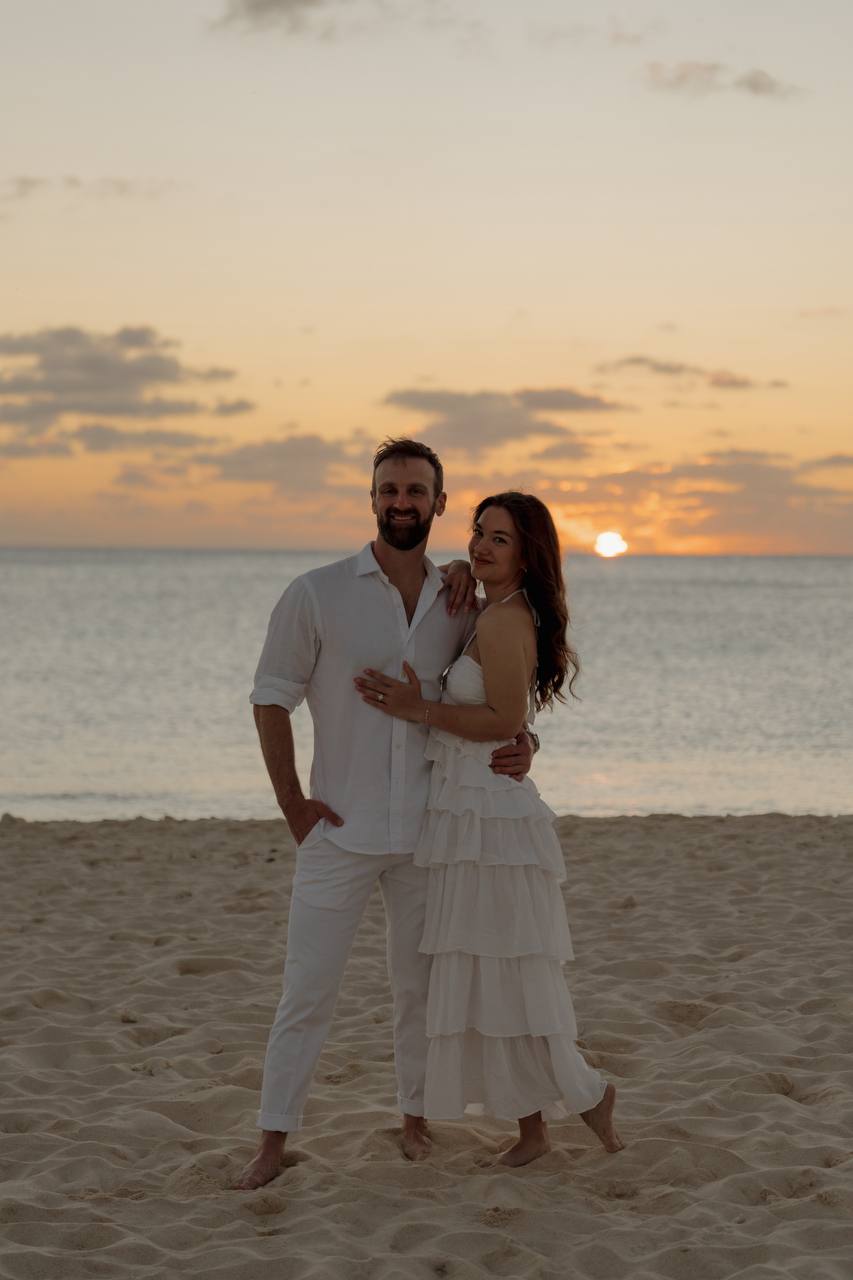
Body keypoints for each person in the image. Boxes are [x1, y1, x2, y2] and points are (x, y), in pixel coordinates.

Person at [235, 441, 535, 1191]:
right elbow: (270, 698)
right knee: (306, 991)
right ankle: (272, 1143)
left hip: (430, 829)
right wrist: (293, 807)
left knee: (420, 991)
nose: (401, 501)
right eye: (389, 489)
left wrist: (525, 738)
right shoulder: (316, 592)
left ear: (438, 504)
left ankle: (413, 1119)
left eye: (416, 490)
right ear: (371, 500)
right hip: (336, 831)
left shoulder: (459, 600)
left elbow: (490, 692)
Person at [355, 492, 624, 1166]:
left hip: (491, 821)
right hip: (468, 811)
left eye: (499, 539)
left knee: (505, 967)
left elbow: (503, 719)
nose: (481, 546)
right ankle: (541, 1123)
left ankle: (584, 1098)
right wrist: (453, 568)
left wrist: (420, 708)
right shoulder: (486, 609)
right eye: (478, 533)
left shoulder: (506, 623)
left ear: (527, 554)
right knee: (491, 967)